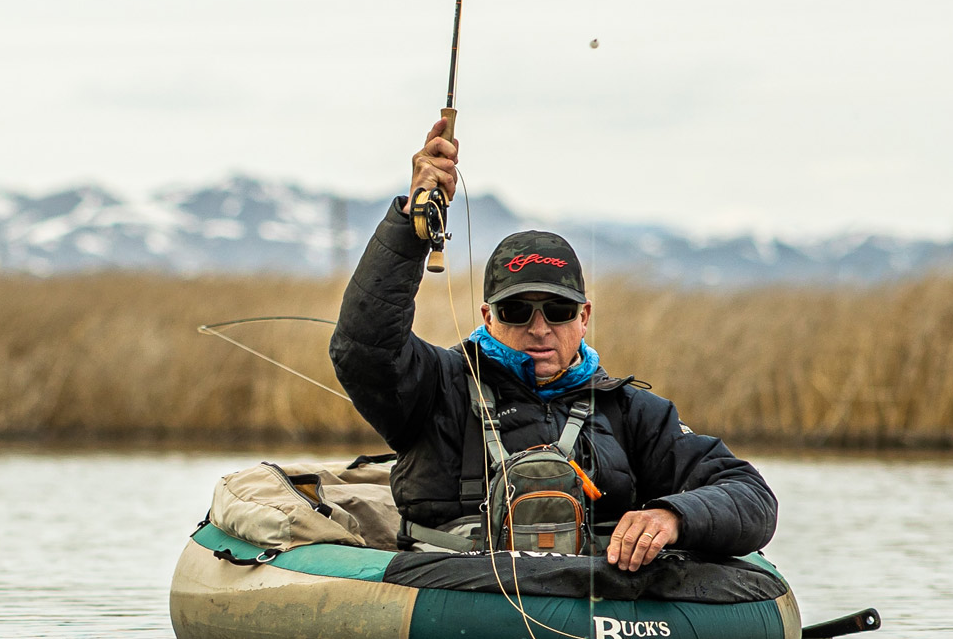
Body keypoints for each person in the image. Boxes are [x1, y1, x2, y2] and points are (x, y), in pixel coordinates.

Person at [328, 117, 777, 572]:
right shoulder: (434, 386)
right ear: (488, 317)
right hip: (455, 599)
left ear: (583, 318)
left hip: (598, 610)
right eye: (517, 311)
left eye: (558, 312)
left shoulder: (634, 413)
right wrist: (411, 223)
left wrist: (673, 516)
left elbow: (750, 494)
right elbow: (362, 348)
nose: (539, 328)